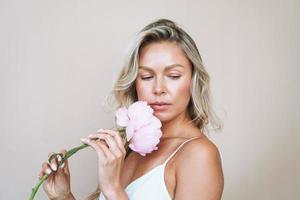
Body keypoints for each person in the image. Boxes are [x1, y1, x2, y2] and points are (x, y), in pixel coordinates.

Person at [38, 18, 224, 200]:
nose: (159, 89)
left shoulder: (199, 155)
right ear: (134, 83)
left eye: (173, 76)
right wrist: (62, 197)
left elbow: (114, 193)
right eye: (146, 76)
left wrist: (113, 190)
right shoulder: (131, 147)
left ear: (193, 81)